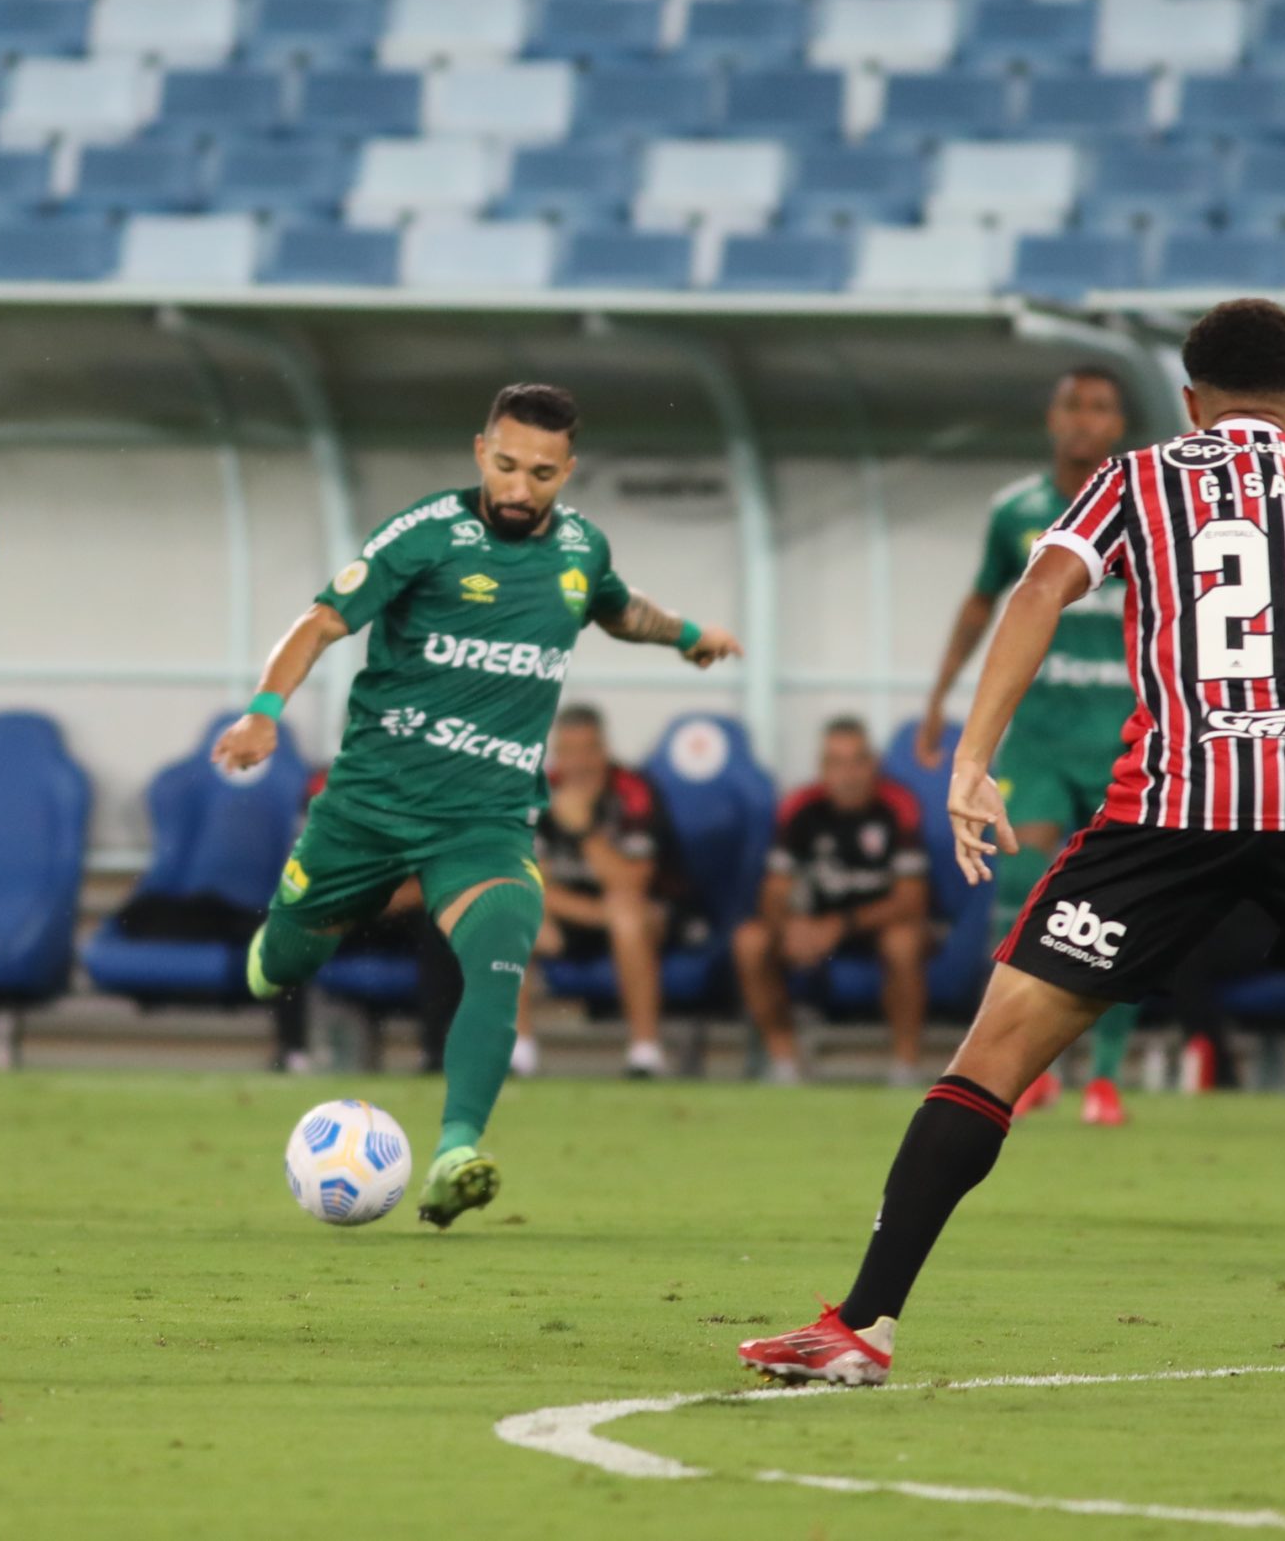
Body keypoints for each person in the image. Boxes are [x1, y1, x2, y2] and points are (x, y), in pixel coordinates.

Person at [740, 299, 1285, 1395]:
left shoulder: (1141, 477)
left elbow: (1040, 588)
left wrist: (973, 755)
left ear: (1188, 399)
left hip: (1173, 810)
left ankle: (861, 1325)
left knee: (992, 1058)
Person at [211, 383, 741, 1227]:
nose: (519, 488)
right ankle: (286, 938)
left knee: (503, 940)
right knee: (284, 965)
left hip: (484, 819)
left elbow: (617, 608)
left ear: (567, 471)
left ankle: (456, 1151)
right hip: (371, 809)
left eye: (540, 472)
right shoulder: (427, 534)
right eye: (504, 465)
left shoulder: (581, 550)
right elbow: (317, 623)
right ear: (478, 452)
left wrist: (686, 635)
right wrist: (263, 712)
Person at [919, 368, 1139, 1125]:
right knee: (1027, 900)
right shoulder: (1015, 512)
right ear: (1052, 418)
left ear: (1117, 424)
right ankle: (1026, 1069)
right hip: (1040, 740)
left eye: (1099, 408)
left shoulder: (1142, 506)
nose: (1083, 420)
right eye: (1072, 405)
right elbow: (984, 602)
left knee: (1118, 911)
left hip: (1124, 739)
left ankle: (1105, 1079)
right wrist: (938, 697)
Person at [734, 719, 933, 1085]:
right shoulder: (800, 807)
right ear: (822, 768)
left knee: (903, 942)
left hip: (875, 924)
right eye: (836, 763)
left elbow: (911, 900)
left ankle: (906, 1067)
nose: (848, 774)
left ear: (873, 764)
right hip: (813, 926)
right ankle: (785, 1064)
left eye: (857, 761)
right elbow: (775, 890)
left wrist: (841, 925)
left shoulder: (898, 805)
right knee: (750, 941)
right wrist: (790, 926)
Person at [515, 703, 689, 1080]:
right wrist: (594, 914)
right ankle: (519, 1053)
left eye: (587, 751)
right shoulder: (537, 792)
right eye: (567, 752)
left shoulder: (634, 792)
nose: (577, 763)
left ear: (603, 750)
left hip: (646, 921)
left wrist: (582, 830)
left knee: (627, 915)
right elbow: (530, 879)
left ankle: (645, 1052)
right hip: (575, 917)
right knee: (510, 910)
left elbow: (632, 883)